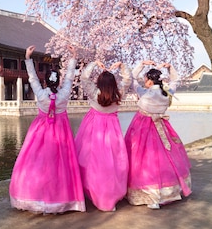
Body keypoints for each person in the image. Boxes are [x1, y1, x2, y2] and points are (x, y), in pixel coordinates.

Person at [9, 45, 85, 214]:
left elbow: (32, 79)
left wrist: (28, 58)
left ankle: (34, 196)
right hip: (61, 132)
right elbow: (70, 79)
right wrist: (73, 58)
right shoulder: (64, 93)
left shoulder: (41, 94)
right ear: (58, 81)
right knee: (61, 164)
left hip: (40, 131)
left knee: (37, 162)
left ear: (45, 80)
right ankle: (61, 198)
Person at [125, 60, 192, 209]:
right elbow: (175, 80)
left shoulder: (144, 93)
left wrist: (141, 64)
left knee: (144, 160)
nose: (144, 82)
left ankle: (151, 195)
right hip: (161, 127)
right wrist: (170, 68)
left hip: (142, 128)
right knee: (166, 158)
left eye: (145, 79)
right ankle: (170, 191)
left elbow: (132, 78)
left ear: (149, 81)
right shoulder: (167, 93)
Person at [74, 60, 131, 212]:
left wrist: (94, 64)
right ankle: (110, 195)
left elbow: (84, 78)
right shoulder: (118, 94)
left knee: (91, 161)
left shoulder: (94, 93)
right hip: (112, 130)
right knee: (112, 162)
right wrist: (122, 66)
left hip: (93, 129)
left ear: (99, 83)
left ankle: (92, 192)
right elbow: (128, 79)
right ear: (113, 84)